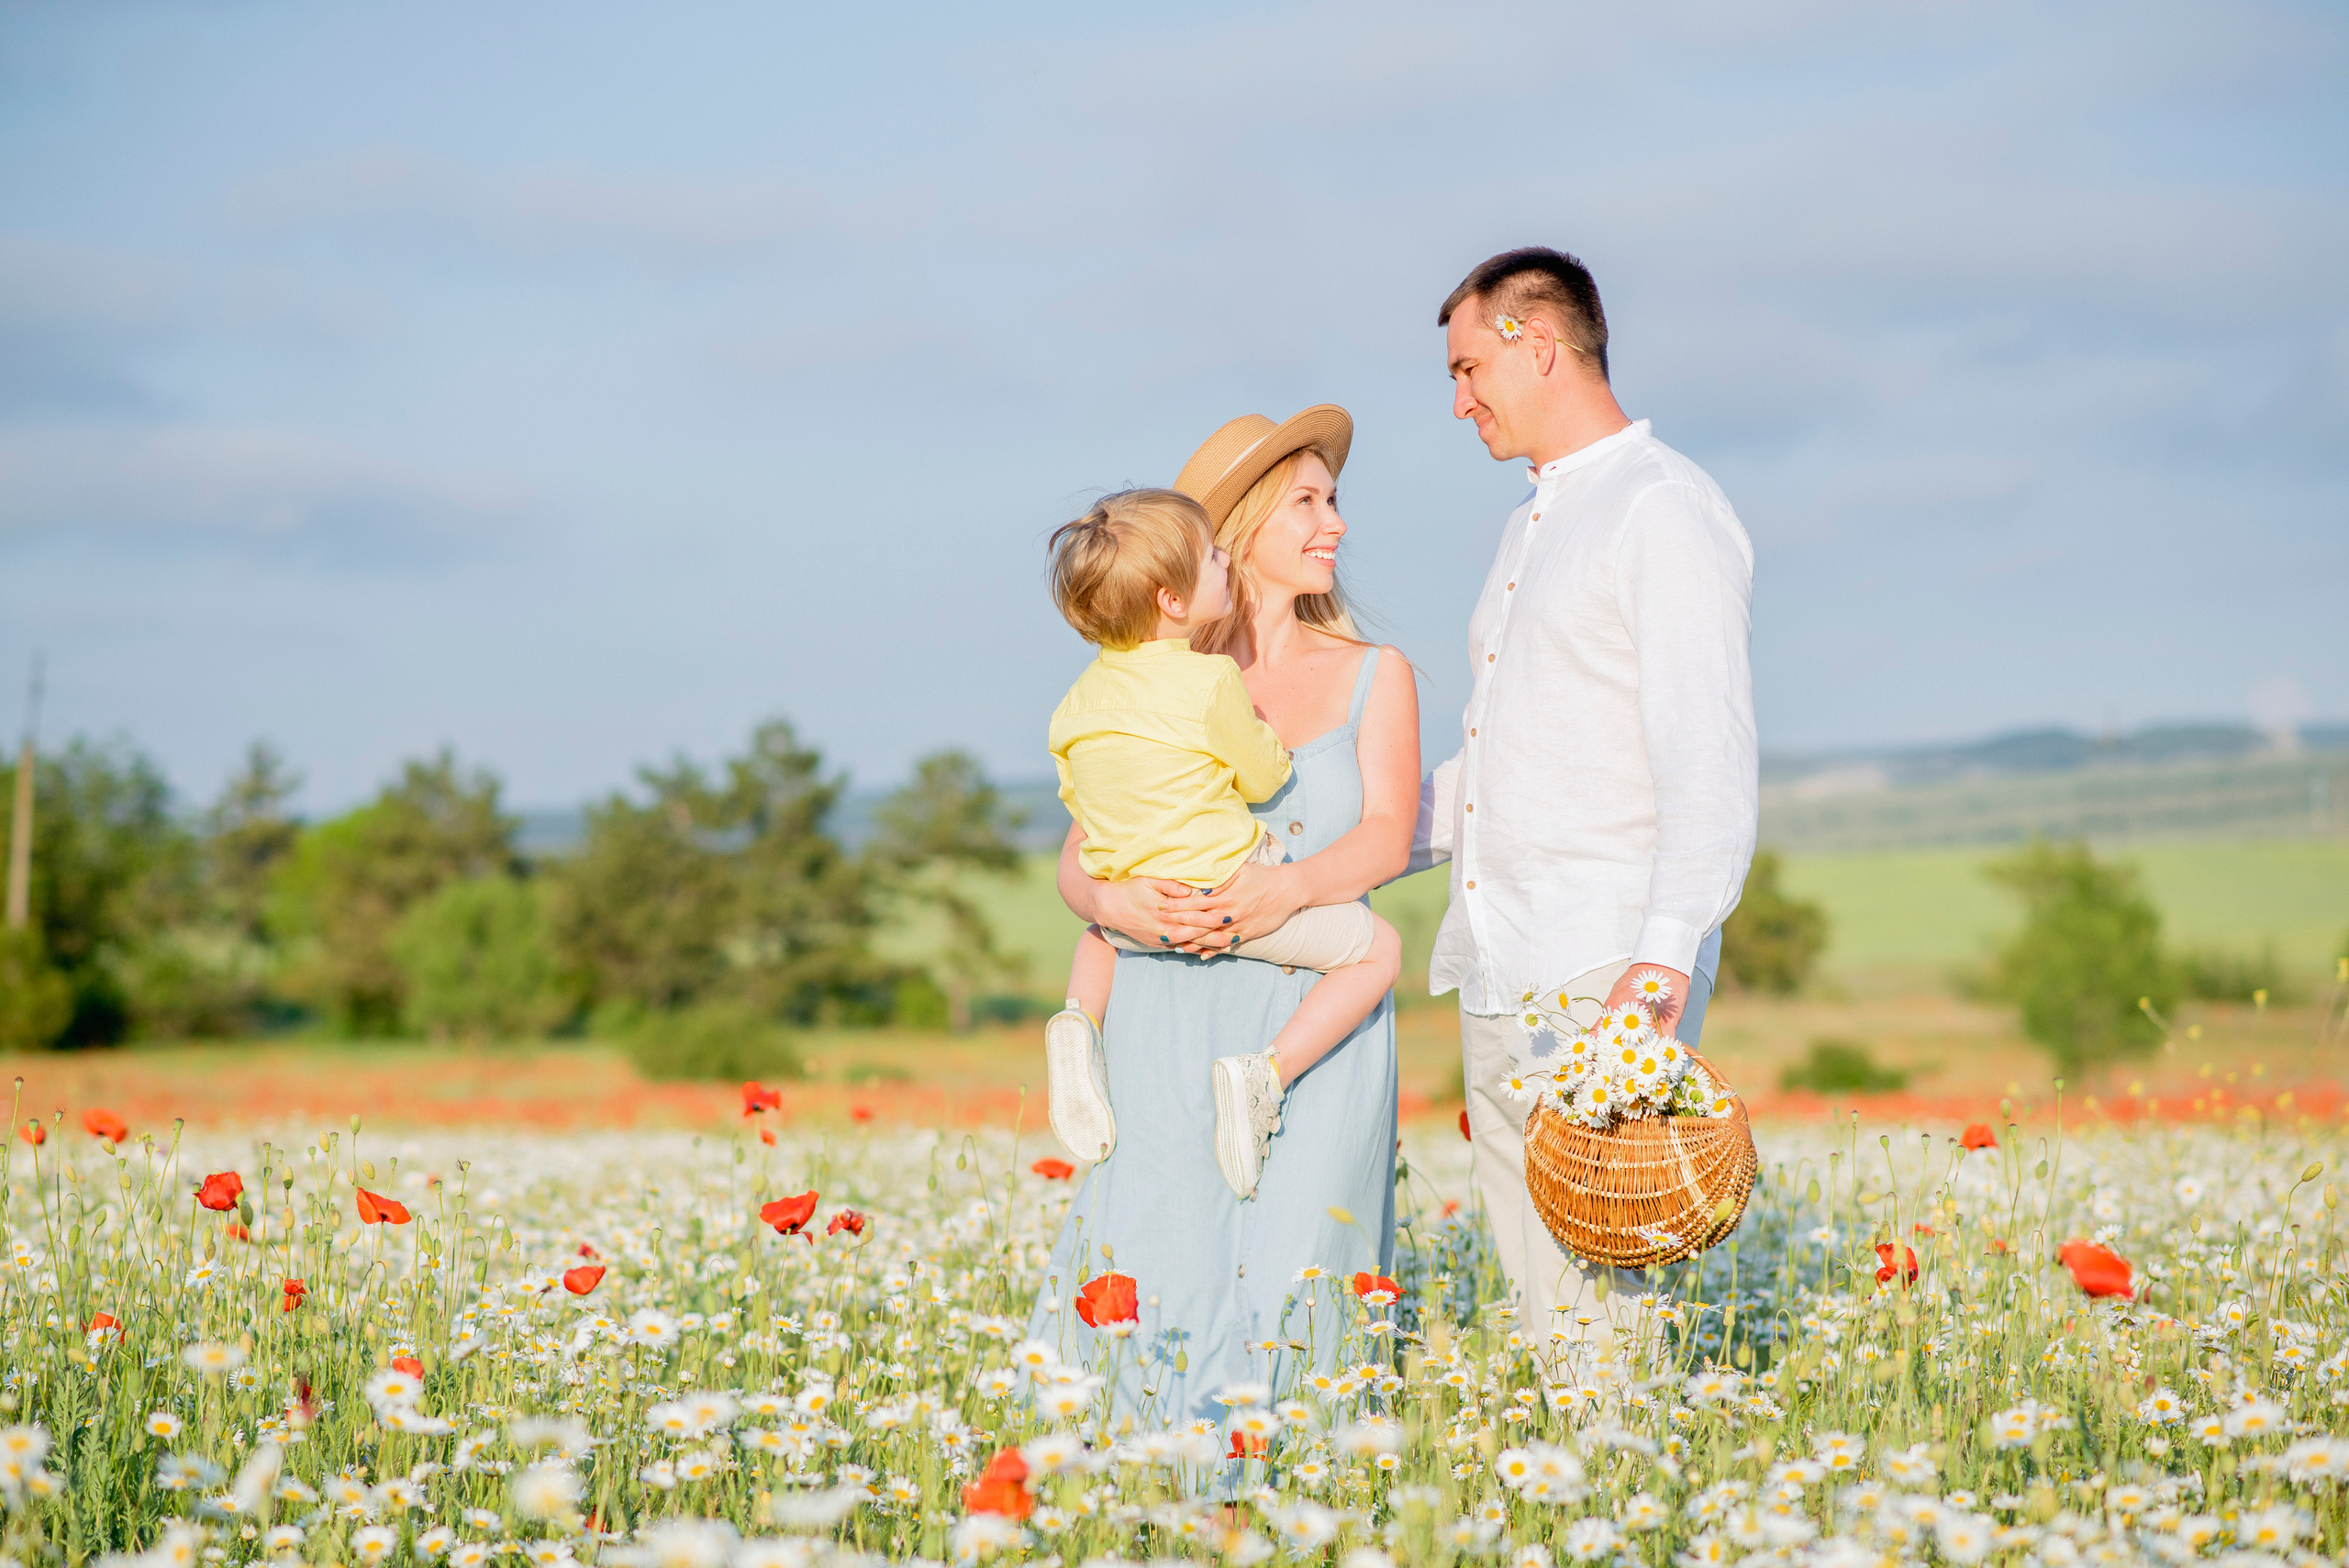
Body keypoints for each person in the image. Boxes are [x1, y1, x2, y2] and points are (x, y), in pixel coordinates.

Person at [1030, 406, 1418, 1425]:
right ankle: (1158, 1503)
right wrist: (1115, 903)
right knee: (1161, 1259)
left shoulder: (1376, 674)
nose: (1333, 522)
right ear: (1235, 529)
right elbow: (1081, 850)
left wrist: (1286, 888)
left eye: (1332, 499)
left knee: (1303, 1257)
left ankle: (1296, 1507)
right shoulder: (1150, 675)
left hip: (1309, 1027)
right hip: (1166, 1010)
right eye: (1306, 501)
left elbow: (1385, 837)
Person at [1412, 247, 1757, 1369]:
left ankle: (1620, 1507)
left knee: (1607, 1292)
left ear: (1538, 345)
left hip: (1603, 963)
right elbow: (1499, 760)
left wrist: (1657, 969)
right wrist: (1337, 848)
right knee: (1542, 1299)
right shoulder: (1530, 523)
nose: (1458, 398)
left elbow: (1705, 755)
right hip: (1498, 950)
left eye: (1469, 368)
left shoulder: (1661, 508)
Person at [1038, 486, 1404, 1197]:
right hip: (1225, 894)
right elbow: (1263, 774)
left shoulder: (1076, 702)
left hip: (1145, 912)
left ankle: (1077, 1023)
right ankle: (1266, 1072)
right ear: (1172, 598)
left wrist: (1115, 898)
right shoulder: (1210, 681)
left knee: (1096, 933)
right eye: (1305, 498)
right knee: (1380, 948)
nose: (1222, 565)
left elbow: (1083, 817)